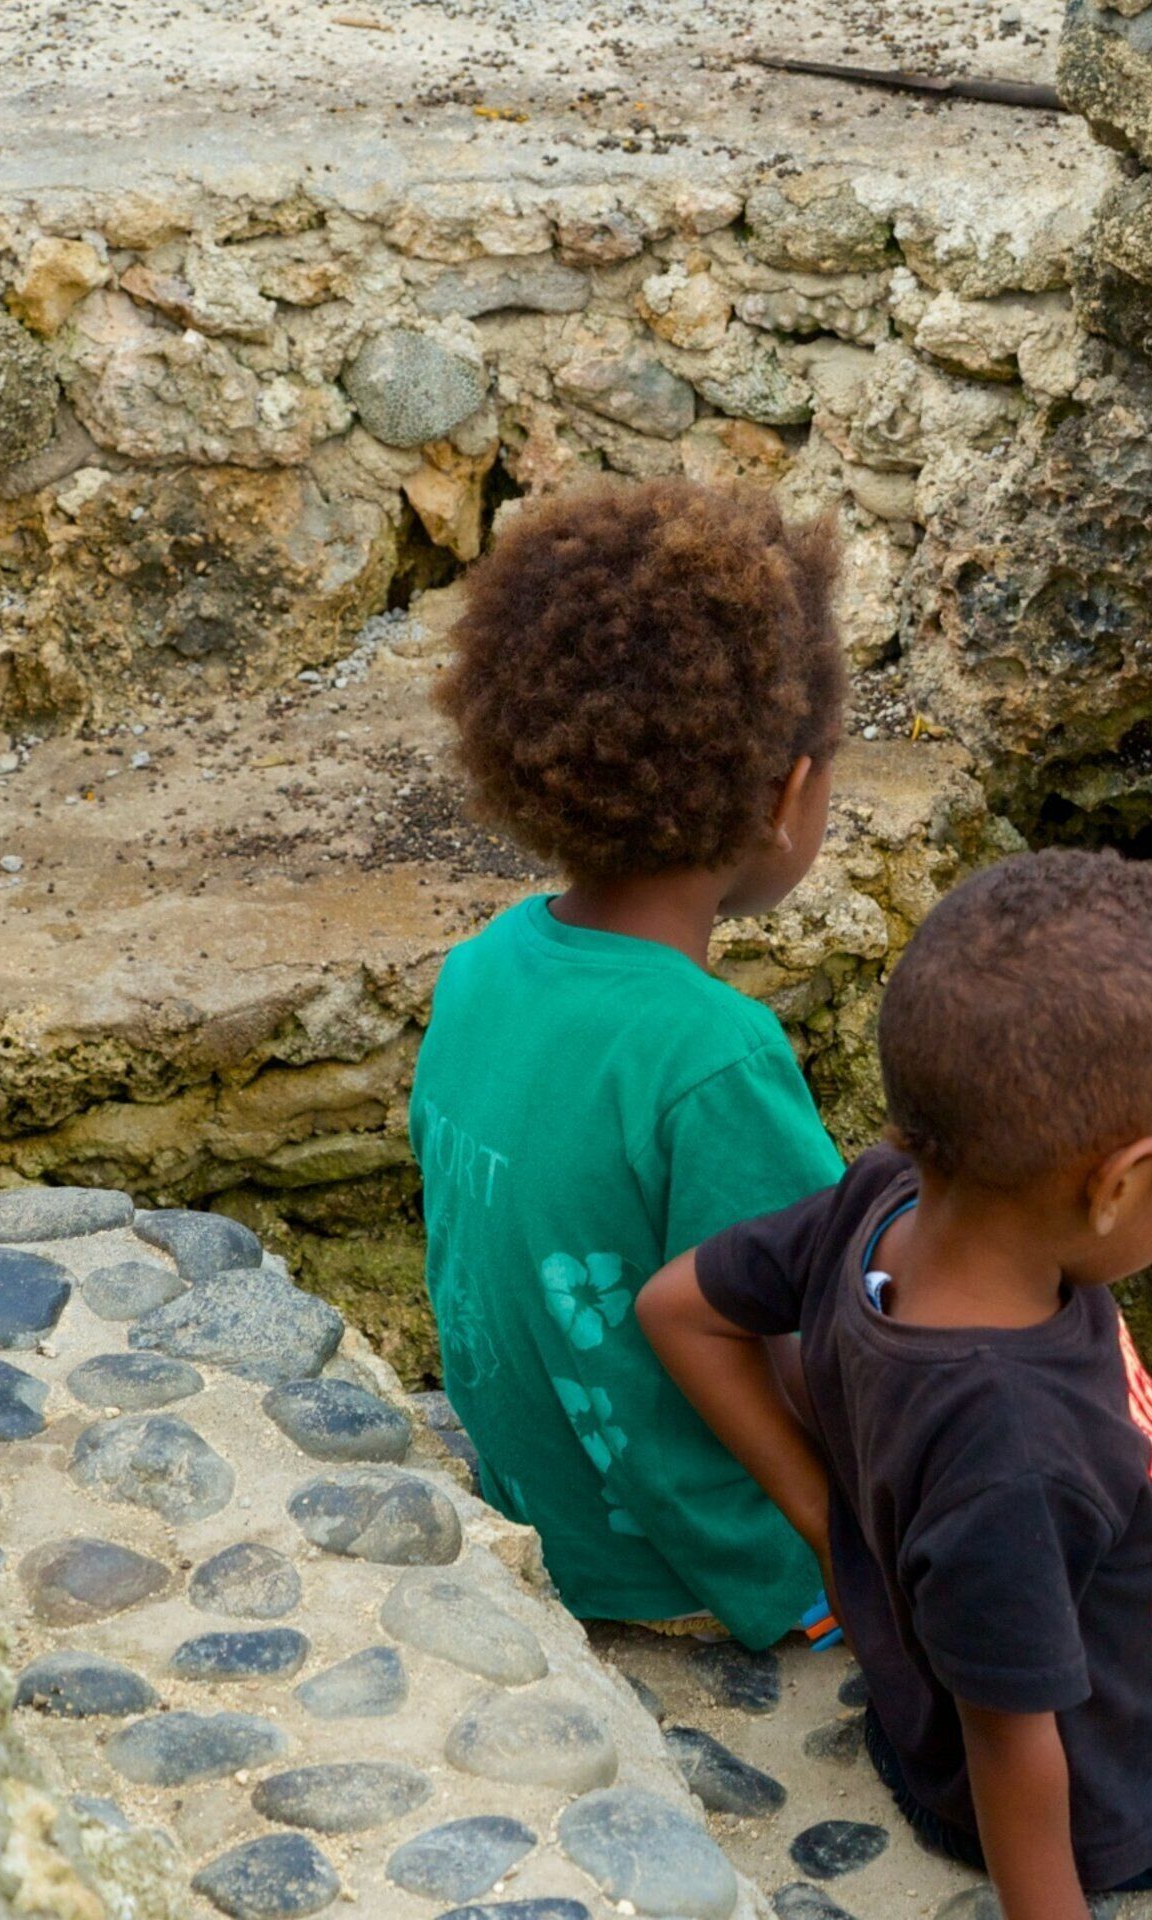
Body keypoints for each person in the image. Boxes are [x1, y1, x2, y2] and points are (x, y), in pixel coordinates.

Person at [637, 851, 1152, 1920]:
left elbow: (678, 1307)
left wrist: (832, 1523)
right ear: (1117, 1184)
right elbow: (1012, 1745)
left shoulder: (885, 1200)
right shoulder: (1009, 1447)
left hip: (1096, 1657)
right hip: (1118, 1782)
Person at [408, 482, 849, 1645]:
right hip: (697, 1564)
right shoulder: (715, 1056)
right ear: (788, 795)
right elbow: (819, 1356)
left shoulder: (482, 966)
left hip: (540, 1507)